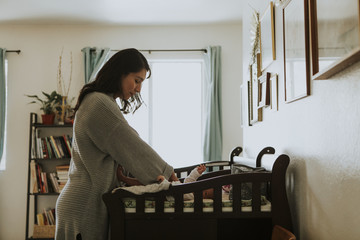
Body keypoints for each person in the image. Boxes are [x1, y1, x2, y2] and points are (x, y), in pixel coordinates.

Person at [55, 48, 178, 240]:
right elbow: (132, 147)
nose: (138, 89)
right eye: (136, 80)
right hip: (84, 204)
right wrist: (169, 176)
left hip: (85, 202)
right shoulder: (99, 103)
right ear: (120, 73)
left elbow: (122, 147)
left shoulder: (99, 100)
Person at [118, 164, 214, 199]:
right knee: (144, 182)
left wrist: (165, 181)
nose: (201, 192)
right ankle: (126, 180)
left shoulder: (190, 196)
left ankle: (124, 179)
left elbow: (177, 189)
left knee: (144, 184)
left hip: (164, 191)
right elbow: (189, 180)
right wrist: (197, 172)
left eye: (205, 194)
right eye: (203, 188)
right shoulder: (192, 188)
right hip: (165, 187)